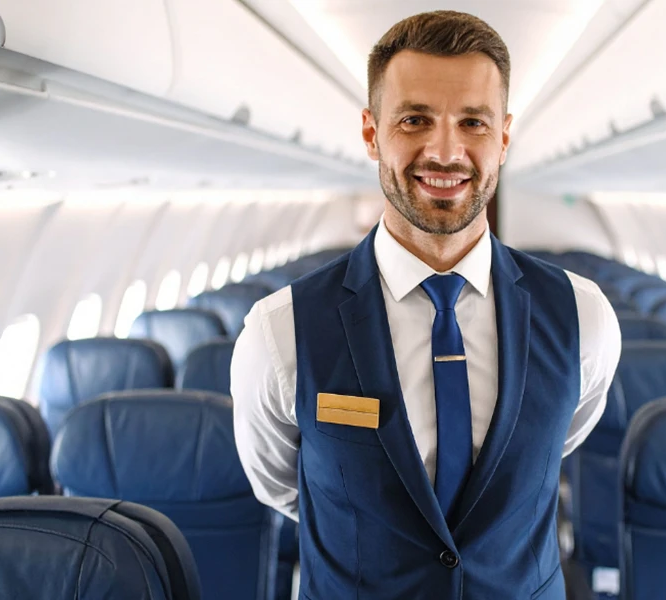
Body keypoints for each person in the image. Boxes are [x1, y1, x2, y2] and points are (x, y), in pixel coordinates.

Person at [231, 10, 621, 599]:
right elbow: (284, 485)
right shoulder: (279, 332)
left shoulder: (584, 318)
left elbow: (548, 448)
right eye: (415, 120)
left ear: (505, 138)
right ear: (371, 132)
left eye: (473, 122)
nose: (446, 152)